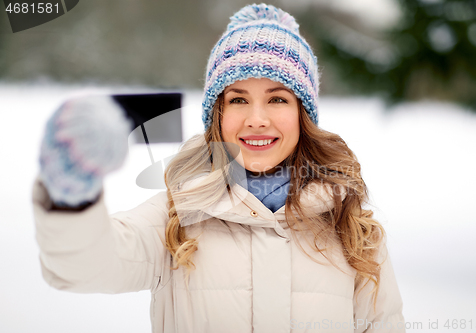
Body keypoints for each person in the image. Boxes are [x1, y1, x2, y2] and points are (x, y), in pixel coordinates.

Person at [32, 3, 405, 333]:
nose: (257, 119)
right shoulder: (176, 218)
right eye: (238, 99)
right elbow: (83, 266)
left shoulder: (354, 230)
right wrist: (70, 194)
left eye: (277, 98)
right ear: (217, 115)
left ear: (302, 114)